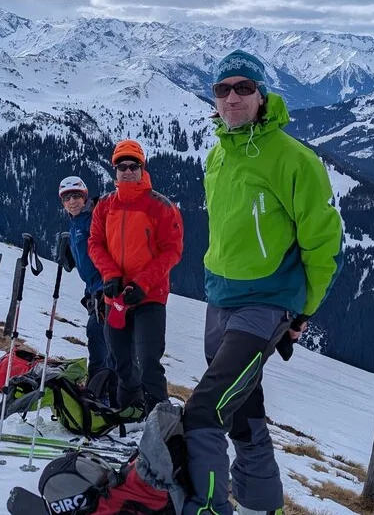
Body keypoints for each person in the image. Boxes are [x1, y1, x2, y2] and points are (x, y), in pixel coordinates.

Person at [182, 50, 344, 515]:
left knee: (205, 411)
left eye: (244, 88)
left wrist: (304, 311)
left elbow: (323, 242)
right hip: (221, 300)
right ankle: (261, 503)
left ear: (262, 96)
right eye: (222, 89)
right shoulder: (217, 157)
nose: (232, 97)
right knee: (243, 412)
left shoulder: (294, 159)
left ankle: (208, 507)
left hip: (267, 302)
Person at [87, 139, 184, 419]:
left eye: (134, 166)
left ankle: (159, 422)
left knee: (149, 361)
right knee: (119, 359)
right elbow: (95, 243)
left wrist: (143, 283)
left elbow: (172, 250)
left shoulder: (161, 206)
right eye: (122, 166)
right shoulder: (104, 205)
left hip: (150, 296)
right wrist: (111, 275)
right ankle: (127, 410)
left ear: (143, 168)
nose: (127, 171)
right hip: (115, 296)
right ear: (114, 170)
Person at [58, 175, 115, 397]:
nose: (72, 201)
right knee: (99, 336)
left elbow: (106, 252)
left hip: (106, 288)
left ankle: (104, 390)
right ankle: (101, 387)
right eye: (67, 198)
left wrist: (105, 286)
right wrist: (71, 254)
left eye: (77, 196)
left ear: (85, 197)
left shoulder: (95, 218)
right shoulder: (76, 223)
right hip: (93, 290)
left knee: (100, 336)